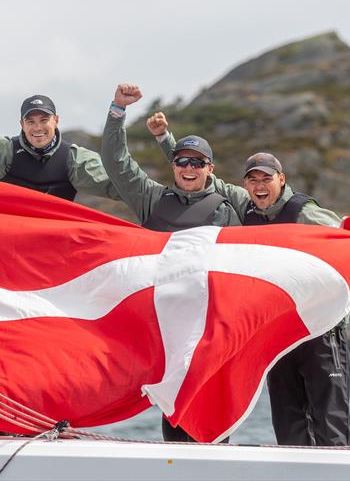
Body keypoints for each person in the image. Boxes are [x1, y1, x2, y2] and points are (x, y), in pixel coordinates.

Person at [147, 114, 350, 447]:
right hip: (280, 333)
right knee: (289, 426)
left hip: (322, 331)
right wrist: (166, 140)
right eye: (252, 180)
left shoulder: (305, 213)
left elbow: (349, 242)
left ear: (281, 179)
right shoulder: (247, 209)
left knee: (330, 426)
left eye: (265, 179)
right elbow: (197, 174)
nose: (258, 186)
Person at [100, 84, 240, 442]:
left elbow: (241, 272)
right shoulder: (152, 199)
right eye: (181, 161)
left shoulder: (226, 211)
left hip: (206, 333)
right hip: (160, 330)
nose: (188, 168)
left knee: (208, 418)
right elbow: (116, 163)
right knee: (173, 419)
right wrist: (118, 111)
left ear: (210, 168)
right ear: (173, 165)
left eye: (197, 162)